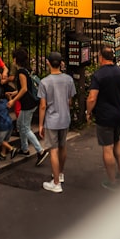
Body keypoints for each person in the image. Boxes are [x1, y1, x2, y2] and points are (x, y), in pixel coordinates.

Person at [86, 47, 120, 190]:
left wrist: (88, 112)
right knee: (117, 140)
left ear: (101, 57)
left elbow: (92, 97)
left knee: (107, 147)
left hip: (105, 116)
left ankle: (112, 181)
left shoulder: (98, 75)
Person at [38, 51, 75, 193]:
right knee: (62, 146)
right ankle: (60, 173)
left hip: (52, 119)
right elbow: (70, 100)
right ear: (61, 63)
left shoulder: (44, 82)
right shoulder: (68, 80)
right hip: (65, 118)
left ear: (48, 63)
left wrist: (41, 124)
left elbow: (42, 105)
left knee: (53, 150)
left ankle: (56, 183)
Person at [5, 48, 48, 164]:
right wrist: (14, 93)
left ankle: (40, 151)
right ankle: (24, 149)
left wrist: (13, 100)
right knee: (20, 124)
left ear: (16, 59)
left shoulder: (21, 73)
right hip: (31, 102)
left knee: (25, 128)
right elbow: (25, 88)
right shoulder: (26, 70)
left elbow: (24, 89)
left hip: (27, 104)